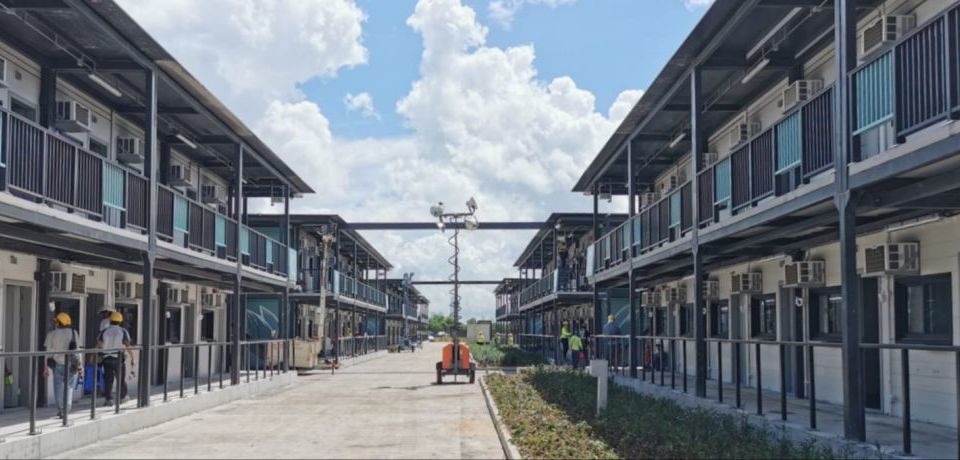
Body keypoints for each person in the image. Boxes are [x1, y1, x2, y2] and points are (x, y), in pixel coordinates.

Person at [43, 312, 83, 418]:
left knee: (58, 387)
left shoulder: (51, 334)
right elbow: (77, 350)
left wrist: (45, 367)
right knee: (69, 386)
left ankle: (61, 409)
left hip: (57, 364)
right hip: (71, 364)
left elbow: (47, 352)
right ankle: (67, 408)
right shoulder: (74, 333)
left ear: (58, 322)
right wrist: (80, 365)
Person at [97, 311, 136, 406]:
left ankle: (108, 399)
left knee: (108, 379)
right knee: (121, 378)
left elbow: (99, 344)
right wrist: (133, 358)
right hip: (118, 358)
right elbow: (127, 345)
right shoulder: (122, 331)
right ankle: (123, 397)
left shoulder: (104, 331)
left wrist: (95, 356)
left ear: (110, 321)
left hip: (106, 358)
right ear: (120, 321)